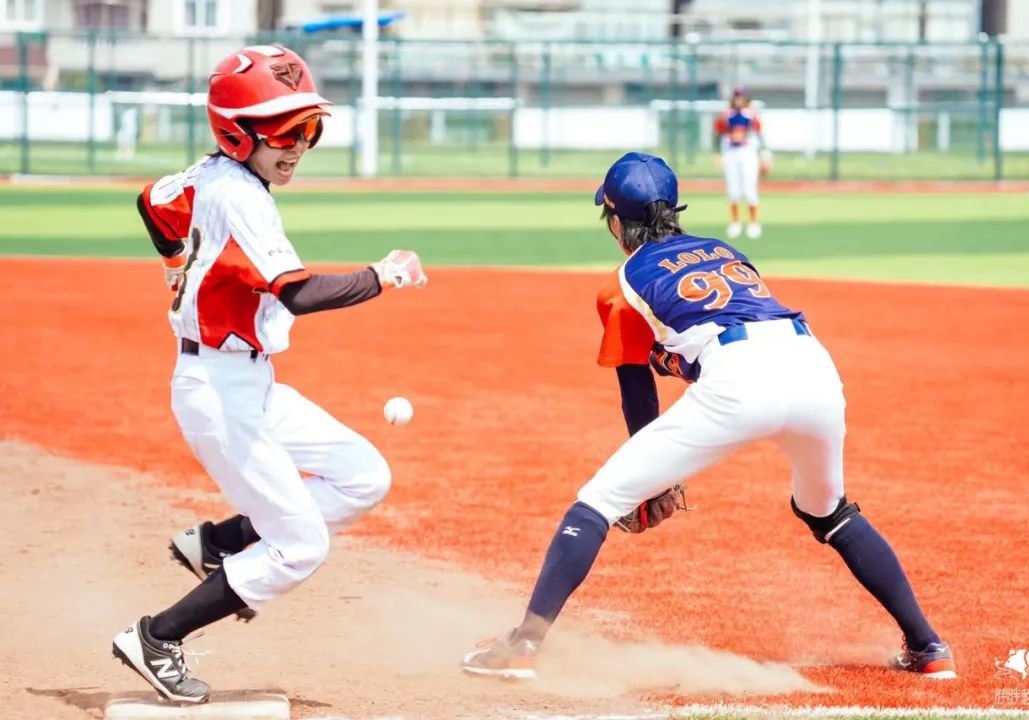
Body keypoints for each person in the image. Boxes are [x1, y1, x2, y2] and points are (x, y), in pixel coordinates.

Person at [460, 152, 955, 682]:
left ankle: (524, 643)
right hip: (815, 368)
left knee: (598, 501)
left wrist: (655, 483)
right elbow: (722, 325)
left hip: (738, 380)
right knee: (828, 509)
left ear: (613, 219)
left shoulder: (622, 284)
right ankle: (928, 647)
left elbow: (637, 391)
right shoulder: (724, 250)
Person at [111, 45, 428, 704]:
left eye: (310, 129)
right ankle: (156, 636)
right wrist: (385, 275)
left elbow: (153, 202)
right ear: (236, 131)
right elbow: (299, 294)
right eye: (286, 131)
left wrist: (174, 258)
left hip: (249, 385)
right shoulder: (242, 199)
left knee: (363, 475)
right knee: (301, 546)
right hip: (218, 396)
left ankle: (219, 542)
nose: (300, 145)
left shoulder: (212, 175)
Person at [713, 85, 772, 240]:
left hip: (748, 153)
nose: (739, 99)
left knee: (750, 189)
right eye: (737, 96)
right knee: (733, 190)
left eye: (742, 96)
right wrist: (717, 154)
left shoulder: (752, 115)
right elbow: (719, 134)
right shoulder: (726, 115)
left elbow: (760, 135)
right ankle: (735, 223)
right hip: (731, 153)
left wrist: (765, 155)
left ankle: (753, 223)